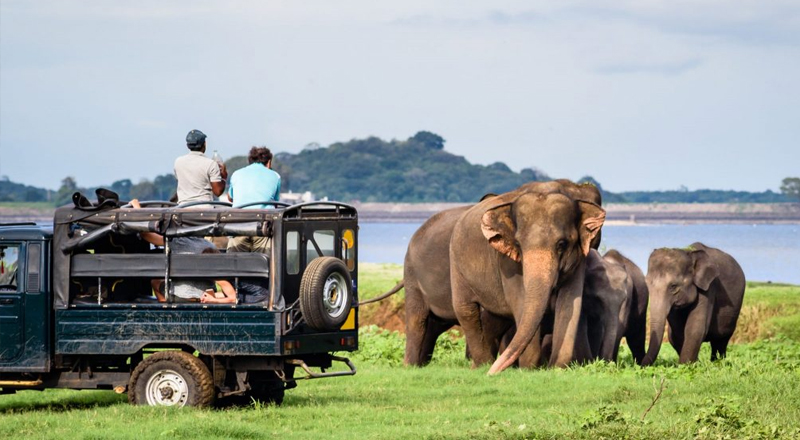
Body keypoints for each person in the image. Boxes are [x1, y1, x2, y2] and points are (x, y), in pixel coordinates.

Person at [226, 146, 281, 253]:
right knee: (265, 263)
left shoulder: (237, 174)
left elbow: (230, 198)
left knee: (235, 263)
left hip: (238, 224)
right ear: (269, 162)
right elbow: (275, 203)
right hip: (263, 225)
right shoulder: (275, 176)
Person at [174, 129, 228, 205]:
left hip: (183, 207)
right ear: (204, 144)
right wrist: (224, 178)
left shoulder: (178, 162)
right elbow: (218, 192)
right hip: (204, 208)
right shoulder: (211, 164)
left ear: (187, 145)